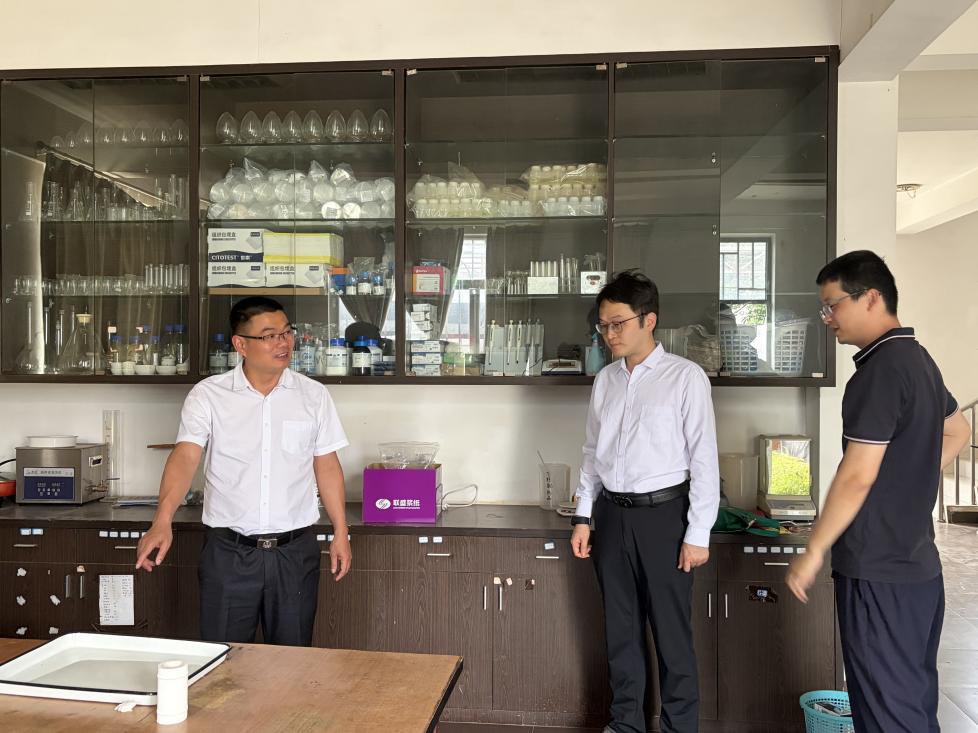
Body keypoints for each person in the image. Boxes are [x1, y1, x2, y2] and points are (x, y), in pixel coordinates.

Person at [786, 250, 971, 733]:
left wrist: (814, 548)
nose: (828, 318)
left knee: (887, 715)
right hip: (919, 570)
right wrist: (908, 475)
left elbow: (857, 475)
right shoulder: (918, 359)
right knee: (912, 706)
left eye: (833, 305)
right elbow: (958, 431)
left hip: (878, 571)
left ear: (870, 298)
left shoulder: (880, 371)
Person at [136, 296, 352, 646]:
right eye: (269, 336)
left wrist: (341, 531)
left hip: (294, 553)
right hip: (229, 554)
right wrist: (162, 520)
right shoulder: (209, 395)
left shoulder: (313, 395)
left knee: (293, 661)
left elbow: (326, 464)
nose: (283, 343)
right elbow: (186, 456)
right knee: (224, 662)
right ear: (240, 345)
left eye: (287, 333)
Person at [571, 270, 720, 733]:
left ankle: (680, 727)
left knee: (672, 635)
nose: (609, 334)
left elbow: (704, 459)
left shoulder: (685, 378)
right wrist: (583, 516)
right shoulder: (606, 381)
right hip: (611, 516)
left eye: (618, 323)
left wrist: (698, 533)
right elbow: (592, 453)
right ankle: (626, 724)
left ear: (648, 320)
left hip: (665, 518)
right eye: (603, 325)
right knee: (620, 631)